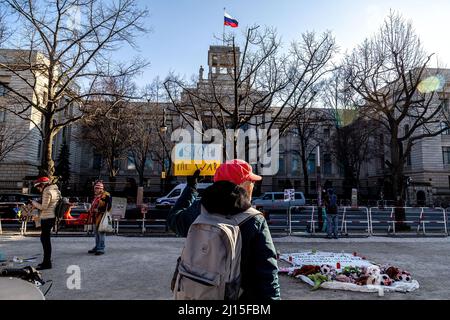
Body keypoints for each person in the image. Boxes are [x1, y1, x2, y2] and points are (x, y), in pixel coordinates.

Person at [167, 160, 281, 301]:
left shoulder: (199, 209)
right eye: (251, 181)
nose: (253, 185)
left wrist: (191, 187)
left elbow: (173, 220)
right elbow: (267, 273)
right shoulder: (254, 219)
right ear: (242, 185)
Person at [31, 176, 61, 270]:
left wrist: (34, 203)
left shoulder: (47, 191)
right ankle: (46, 261)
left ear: (43, 185)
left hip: (47, 218)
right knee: (45, 240)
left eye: (39, 187)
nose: (39, 189)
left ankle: (47, 263)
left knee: (45, 241)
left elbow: (44, 207)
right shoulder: (56, 190)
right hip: (52, 217)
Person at [88, 181, 112, 255]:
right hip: (95, 217)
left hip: (102, 217)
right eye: (95, 188)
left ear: (100, 189)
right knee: (96, 233)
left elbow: (109, 206)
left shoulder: (106, 195)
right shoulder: (97, 196)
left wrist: (99, 210)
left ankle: (101, 248)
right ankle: (97, 246)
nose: (95, 190)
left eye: (96, 189)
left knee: (101, 233)